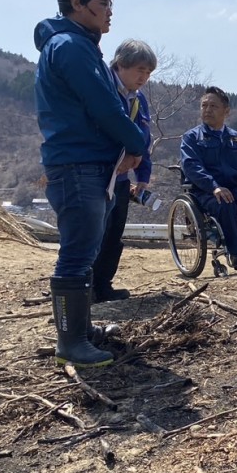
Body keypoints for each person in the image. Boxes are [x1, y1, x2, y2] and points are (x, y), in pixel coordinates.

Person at [35, 0, 146, 368]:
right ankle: (70, 341)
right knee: (77, 253)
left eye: (111, 5)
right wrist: (136, 142)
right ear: (76, 3)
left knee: (86, 250)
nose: (109, 13)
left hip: (88, 165)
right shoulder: (70, 47)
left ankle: (80, 331)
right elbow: (104, 107)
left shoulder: (81, 46)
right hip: (77, 164)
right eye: (102, 4)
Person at [91, 39, 157, 302]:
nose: (144, 77)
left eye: (148, 73)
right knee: (94, 234)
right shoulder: (103, 89)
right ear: (120, 65)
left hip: (121, 178)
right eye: (139, 70)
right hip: (98, 174)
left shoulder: (138, 100)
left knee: (114, 235)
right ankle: (84, 289)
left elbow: (144, 139)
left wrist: (142, 177)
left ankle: (103, 285)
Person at [180, 87, 237, 270]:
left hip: (235, 188)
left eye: (213, 106)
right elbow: (191, 167)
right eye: (204, 105)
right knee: (225, 202)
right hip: (206, 192)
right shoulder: (192, 138)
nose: (207, 110)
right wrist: (214, 186)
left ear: (226, 111)